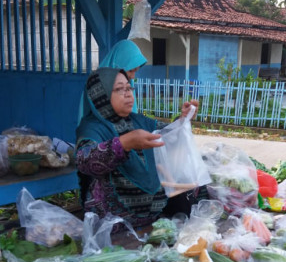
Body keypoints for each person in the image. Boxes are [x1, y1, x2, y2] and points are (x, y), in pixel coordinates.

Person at [75, 67, 199, 228]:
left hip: (154, 220)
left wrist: (182, 120)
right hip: (113, 226)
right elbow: (85, 161)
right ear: (101, 95)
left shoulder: (138, 121)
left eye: (129, 87)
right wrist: (123, 144)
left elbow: (167, 135)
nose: (128, 93)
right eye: (119, 89)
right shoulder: (92, 128)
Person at [77, 40, 147, 124]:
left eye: (136, 71)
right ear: (118, 65)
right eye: (131, 70)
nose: (133, 76)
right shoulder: (98, 85)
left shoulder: (126, 82)